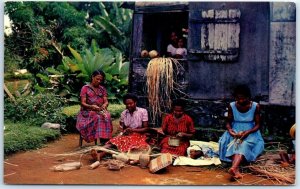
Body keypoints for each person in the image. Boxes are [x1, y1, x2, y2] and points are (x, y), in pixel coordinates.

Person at [218, 85, 264, 179]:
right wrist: (231, 131)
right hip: (235, 130)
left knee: (244, 144)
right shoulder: (232, 105)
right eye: (238, 98)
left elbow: (258, 125)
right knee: (235, 144)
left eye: (243, 98)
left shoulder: (255, 106)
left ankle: (234, 167)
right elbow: (228, 122)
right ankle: (235, 169)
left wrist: (248, 132)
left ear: (248, 97)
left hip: (250, 132)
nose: (240, 101)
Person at [93, 93, 150, 161]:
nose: (129, 105)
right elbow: (123, 128)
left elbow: (146, 128)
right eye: (127, 104)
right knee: (113, 141)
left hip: (139, 135)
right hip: (128, 134)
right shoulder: (124, 113)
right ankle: (98, 152)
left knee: (122, 140)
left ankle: (100, 154)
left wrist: (133, 130)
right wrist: (124, 131)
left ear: (135, 102)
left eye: (131, 103)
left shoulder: (143, 111)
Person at [76, 70, 112, 145]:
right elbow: (83, 103)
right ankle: (101, 142)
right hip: (87, 112)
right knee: (98, 117)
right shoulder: (85, 88)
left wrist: (105, 105)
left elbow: (106, 101)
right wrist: (91, 106)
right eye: (97, 79)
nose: (99, 81)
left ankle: (105, 141)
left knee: (107, 116)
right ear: (92, 77)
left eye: (100, 80)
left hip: (99, 111)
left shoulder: (102, 89)